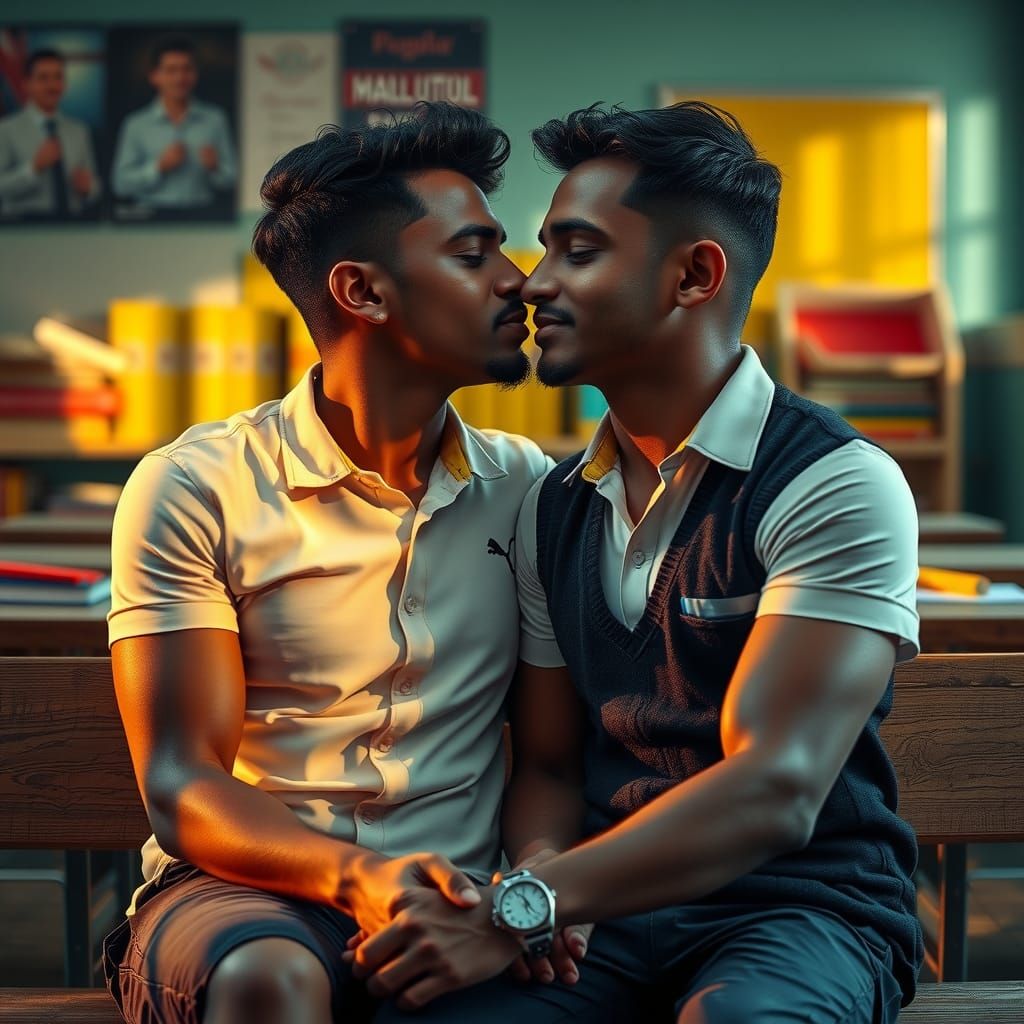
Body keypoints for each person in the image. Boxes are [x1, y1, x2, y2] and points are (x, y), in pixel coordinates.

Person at [350, 101, 922, 1023]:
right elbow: (544, 764)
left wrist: (522, 906)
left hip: (801, 908)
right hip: (601, 911)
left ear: (694, 274)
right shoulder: (555, 502)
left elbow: (774, 789)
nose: (533, 287)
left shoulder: (833, 482)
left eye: (577, 252)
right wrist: (541, 893)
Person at [102, 102, 560, 1024]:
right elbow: (184, 785)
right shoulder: (195, 485)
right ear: (363, 291)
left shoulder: (530, 488)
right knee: (271, 982)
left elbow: (551, 763)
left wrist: (529, 898)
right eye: (474, 256)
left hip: (458, 896)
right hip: (242, 893)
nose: (521, 284)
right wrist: (361, 879)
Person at [111, 36, 236, 210]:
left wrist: (215, 168)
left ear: (195, 74)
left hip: (202, 220)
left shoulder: (215, 119)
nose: (180, 78)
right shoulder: (135, 124)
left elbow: (232, 181)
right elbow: (120, 185)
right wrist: (158, 167)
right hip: (150, 222)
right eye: (171, 70)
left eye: (187, 69)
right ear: (154, 76)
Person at [0, 48, 101, 219]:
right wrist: (33, 169)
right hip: (22, 229)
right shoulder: (6, 129)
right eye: (43, 78)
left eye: (58, 77)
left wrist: (90, 188)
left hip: (73, 227)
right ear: (26, 84)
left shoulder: (79, 130)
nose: (52, 85)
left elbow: (95, 186)